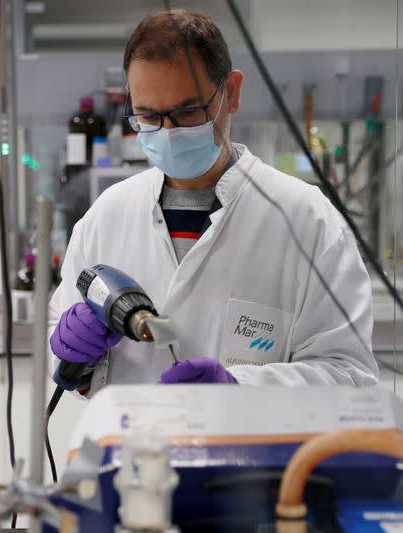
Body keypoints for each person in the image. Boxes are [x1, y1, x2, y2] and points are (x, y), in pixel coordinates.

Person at [48, 9, 378, 392]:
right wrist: (74, 356)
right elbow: (62, 347)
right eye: (148, 116)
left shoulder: (308, 221)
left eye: (188, 112)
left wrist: (238, 389)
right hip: (130, 447)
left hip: (254, 450)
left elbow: (350, 376)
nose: (168, 132)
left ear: (231, 93)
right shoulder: (108, 215)